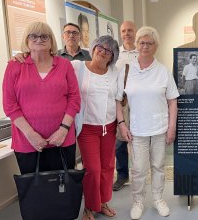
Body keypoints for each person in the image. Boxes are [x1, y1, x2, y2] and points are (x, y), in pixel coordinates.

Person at [2, 21, 80, 175]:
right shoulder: (14, 66)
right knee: (35, 193)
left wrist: (63, 130)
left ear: (51, 41)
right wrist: (31, 135)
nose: (39, 39)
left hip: (62, 140)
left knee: (63, 191)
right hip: (26, 141)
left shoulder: (64, 65)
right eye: (34, 36)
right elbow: (9, 105)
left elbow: (74, 99)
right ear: (27, 40)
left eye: (44, 36)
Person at [117, 26, 179, 219]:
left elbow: (172, 101)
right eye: (141, 42)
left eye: (149, 43)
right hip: (136, 130)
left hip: (160, 129)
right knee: (137, 169)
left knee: (159, 166)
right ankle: (138, 201)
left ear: (156, 46)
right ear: (136, 45)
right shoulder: (126, 70)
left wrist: (171, 128)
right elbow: (118, 100)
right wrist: (122, 124)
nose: (145, 46)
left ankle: (159, 198)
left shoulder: (163, 71)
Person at [71, 35, 120, 220]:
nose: (102, 51)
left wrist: (121, 123)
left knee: (108, 167)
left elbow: (117, 100)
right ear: (93, 48)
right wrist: (24, 56)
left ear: (112, 57)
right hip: (87, 127)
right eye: (100, 47)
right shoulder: (77, 66)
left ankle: (103, 202)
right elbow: (51, 65)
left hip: (109, 126)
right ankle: (90, 206)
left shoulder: (115, 73)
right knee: (92, 169)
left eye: (108, 51)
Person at [113, 21, 139, 192]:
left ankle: (139, 174)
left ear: (135, 32)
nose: (127, 33)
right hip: (120, 101)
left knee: (139, 140)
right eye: (124, 31)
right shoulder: (115, 54)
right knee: (120, 141)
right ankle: (122, 175)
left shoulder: (142, 51)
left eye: (130, 30)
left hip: (138, 102)